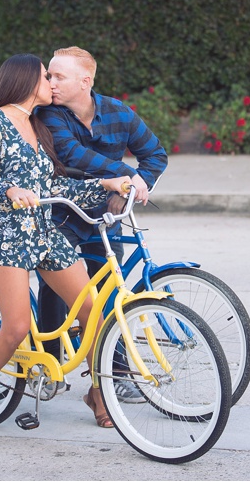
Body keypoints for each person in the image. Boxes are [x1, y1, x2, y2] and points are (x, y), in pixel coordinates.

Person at [0, 53, 132, 441]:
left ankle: (99, 393)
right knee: (17, 326)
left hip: (42, 231)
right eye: (44, 77)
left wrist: (107, 183)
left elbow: (55, 188)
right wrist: (9, 190)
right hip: (4, 234)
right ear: (23, 81)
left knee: (92, 309)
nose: (51, 84)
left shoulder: (38, 126)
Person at [34, 46, 167, 402]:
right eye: (49, 75)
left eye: (58, 76)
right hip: (62, 211)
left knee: (110, 292)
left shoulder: (118, 112)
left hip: (104, 216)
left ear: (85, 80)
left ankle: (115, 374)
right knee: (57, 285)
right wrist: (127, 177)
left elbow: (155, 154)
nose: (50, 83)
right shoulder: (50, 114)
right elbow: (73, 155)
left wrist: (133, 187)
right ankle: (49, 364)